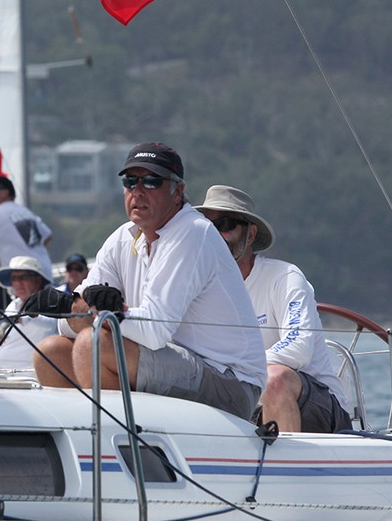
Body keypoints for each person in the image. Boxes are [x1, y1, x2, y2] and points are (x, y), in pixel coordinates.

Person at [29, 143, 265, 419]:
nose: (138, 191)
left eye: (152, 181)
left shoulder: (192, 232)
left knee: (93, 345)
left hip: (230, 383)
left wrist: (98, 312)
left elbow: (155, 331)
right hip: (175, 364)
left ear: (177, 191)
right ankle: (93, 440)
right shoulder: (122, 237)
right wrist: (72, 307)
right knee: (50, 352)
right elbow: (69, 323)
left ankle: (116, 445)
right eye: (130, 182)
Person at [195, 185, 352, 432]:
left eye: (225, 224)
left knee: (274, 379)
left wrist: (235, 369)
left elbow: (297, 348)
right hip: (245, 407)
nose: (215, 234)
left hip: (318, 408)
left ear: (250, 234)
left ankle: (284, 469)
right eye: (207, 226)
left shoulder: (284, 277)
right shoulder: (197, 288)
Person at [0, 175, 53, 309]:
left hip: (22, 276)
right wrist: (32, 251)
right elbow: (47, 236)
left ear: (5, 192)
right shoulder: (25, 211)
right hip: (44, 272)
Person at [0, 255, 58, 373]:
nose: (18, 283)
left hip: (29, 379)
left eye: (23, 277)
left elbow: (52, 324)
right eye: (13, 278)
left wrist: (22, 319)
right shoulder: (14, 305)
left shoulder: (50, 300)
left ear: (37, 280)